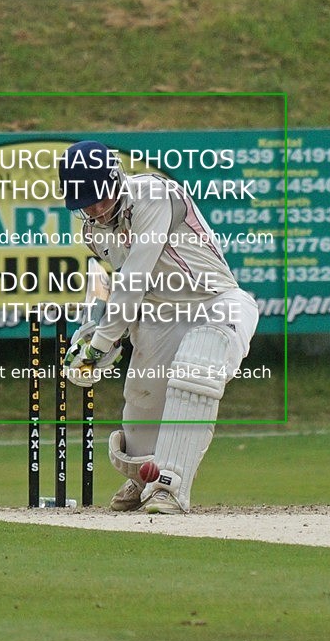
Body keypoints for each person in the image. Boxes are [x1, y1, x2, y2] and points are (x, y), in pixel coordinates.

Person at [60, 139, 259, 514]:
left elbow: (135, 278)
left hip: (216, 302)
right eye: (86, 202)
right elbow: (126, 289)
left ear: (116, 178)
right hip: (160, 316)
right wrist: (97, 342)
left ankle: (170, 486)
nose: (97, 209)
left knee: (199, 364)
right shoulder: (93, 233)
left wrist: (102, 342)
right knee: (141, 404)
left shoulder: (154, 193)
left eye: (101, 198)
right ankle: (144, 476)